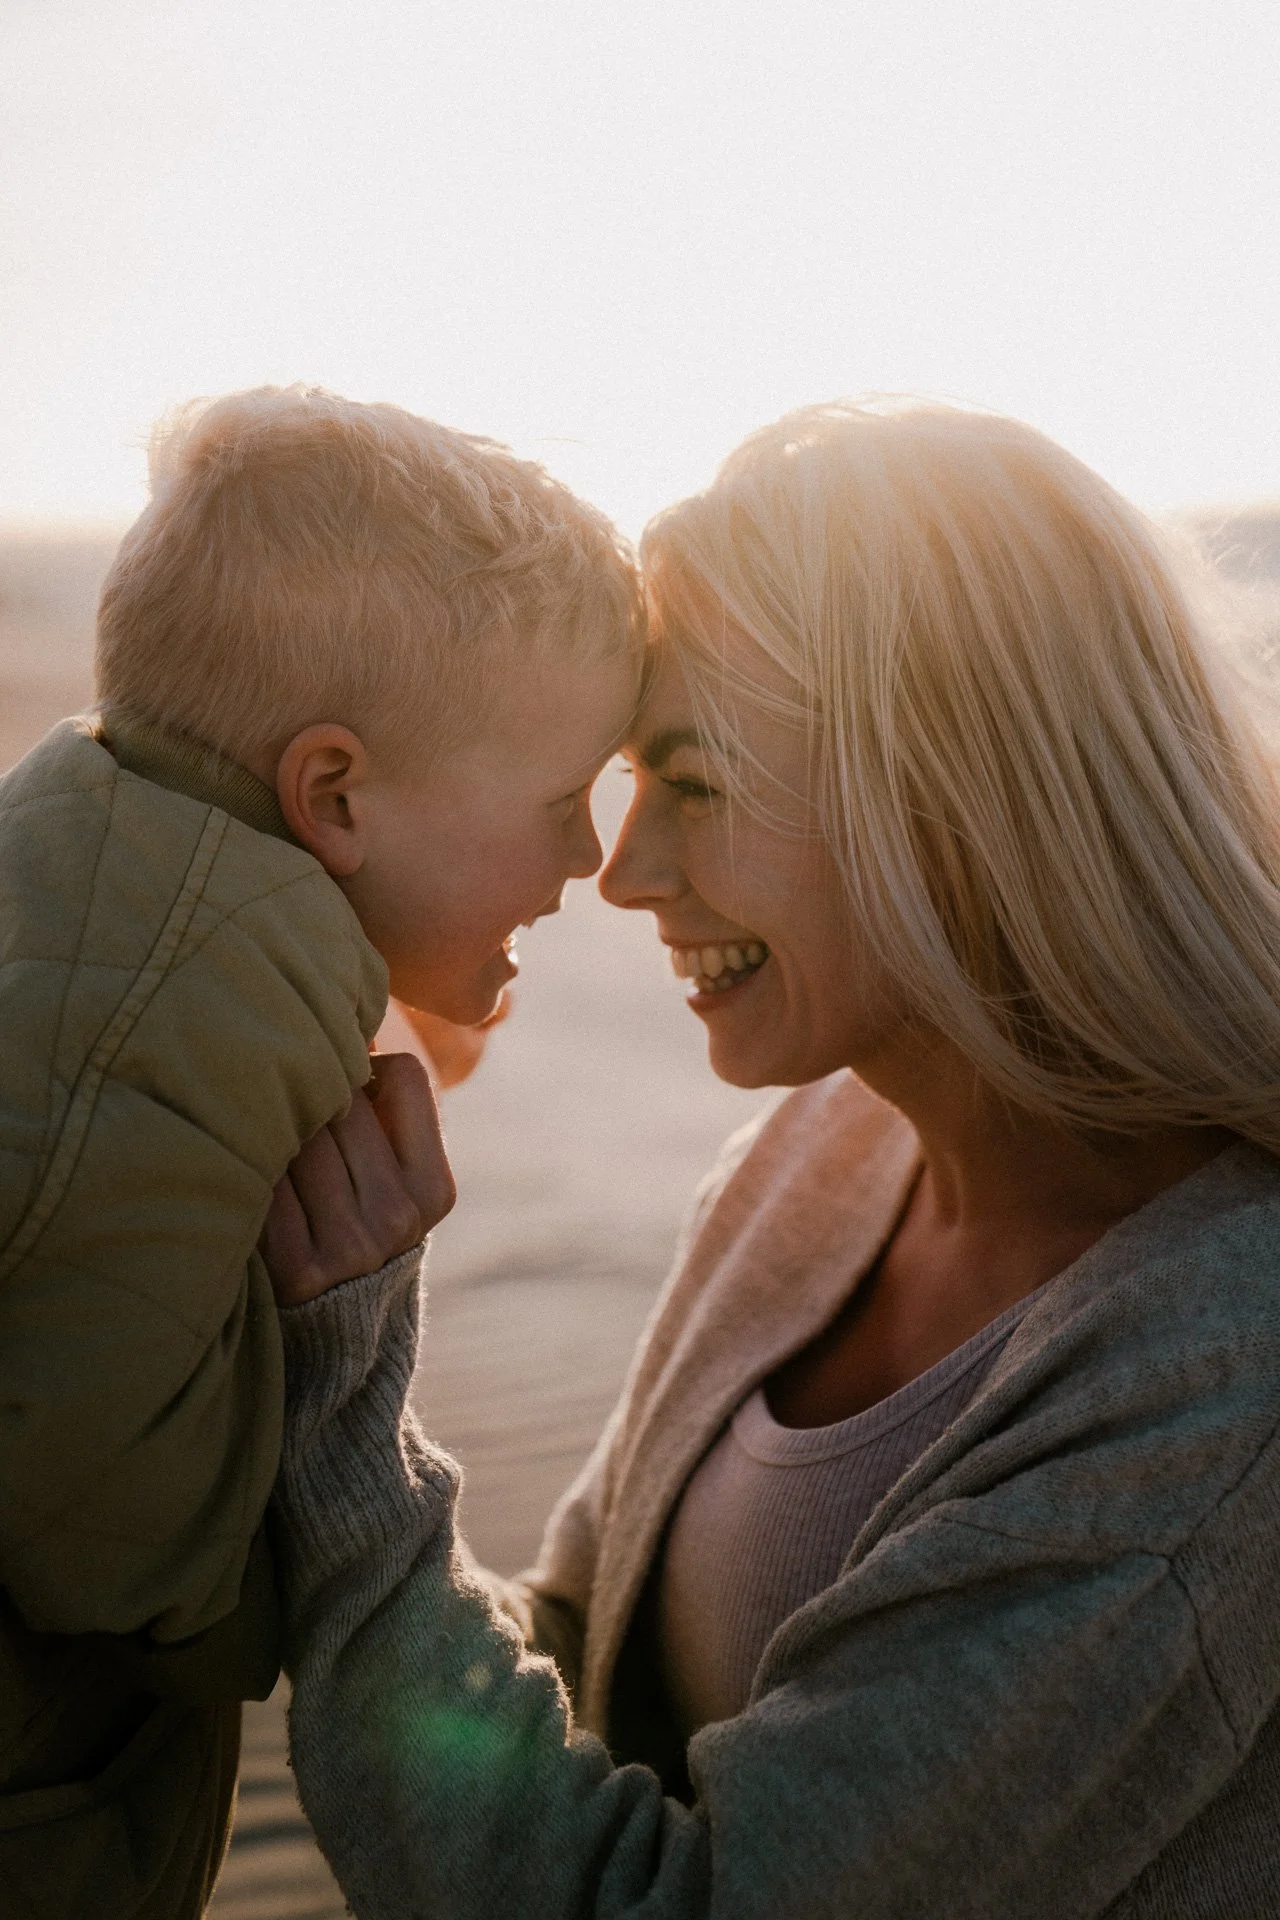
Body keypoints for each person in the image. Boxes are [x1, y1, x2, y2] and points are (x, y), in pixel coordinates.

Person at [265, 401, 1280, 1918]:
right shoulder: (820, 1153)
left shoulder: (1223, 1379)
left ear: (953, 802)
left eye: (698, 781)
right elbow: (581, 1641)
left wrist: (342, 1408)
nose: (622, 872)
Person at [0, 385, 640, 1920]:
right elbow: (110, 1549)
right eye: (564, 799)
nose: (591, 858)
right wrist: (315, 1409)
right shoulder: (181, 1015)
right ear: (335, 796)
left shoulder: (103, 887)